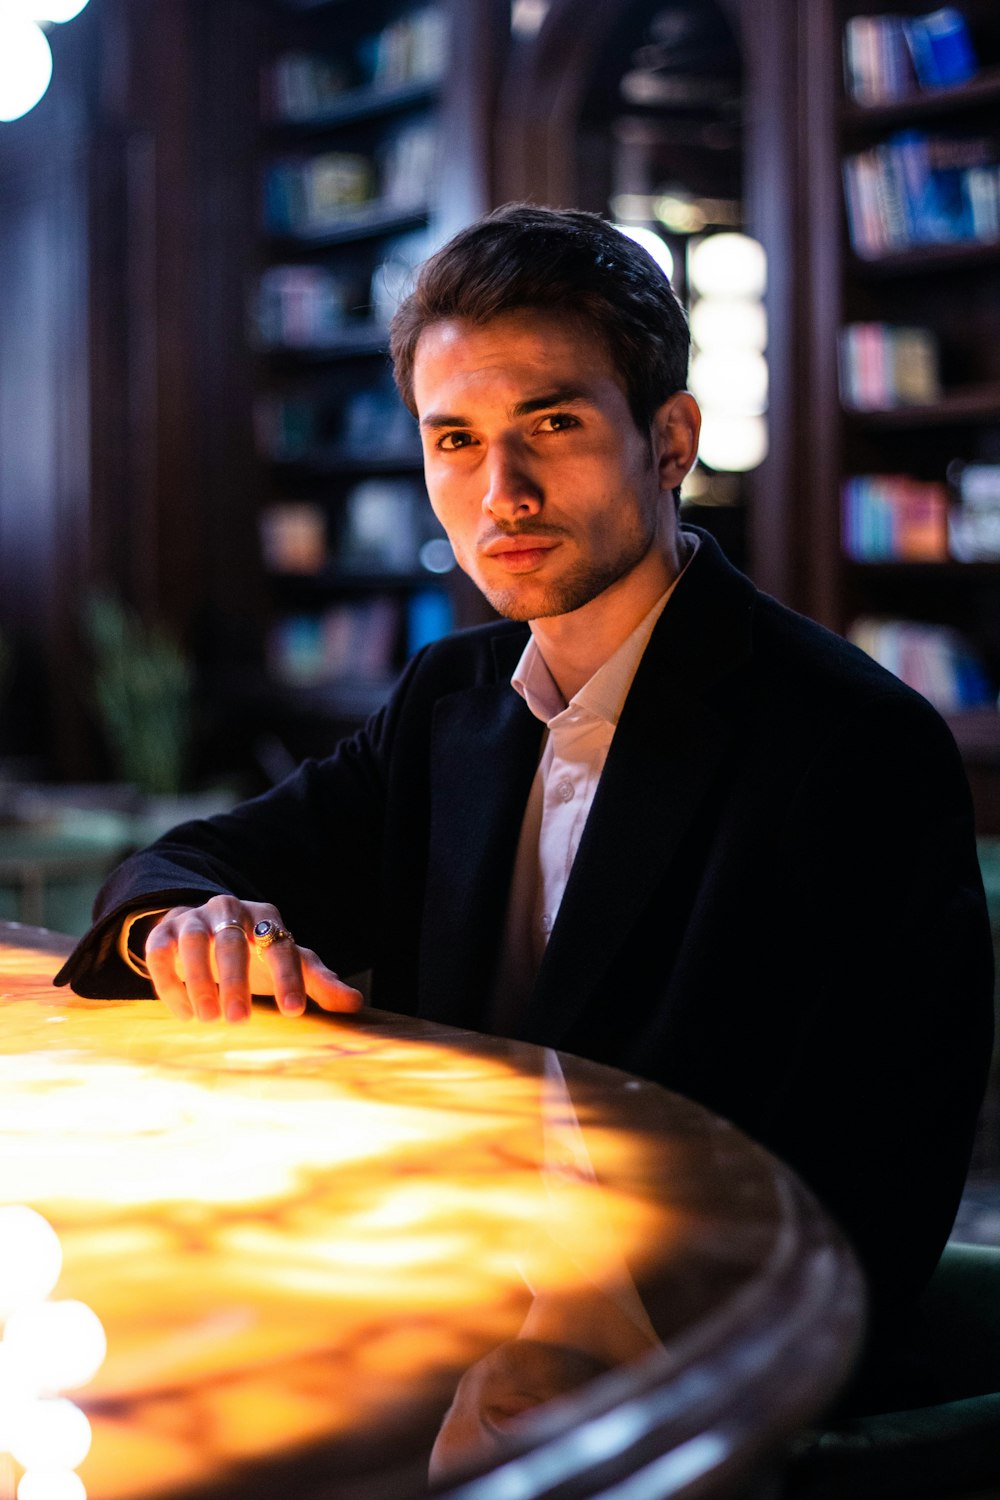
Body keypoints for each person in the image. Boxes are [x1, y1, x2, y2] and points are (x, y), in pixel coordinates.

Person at [56, 204, 993, 1409]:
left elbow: (878, 1185)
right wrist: (183, 920)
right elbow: (186, 859)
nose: (501, 490)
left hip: (695, 1379)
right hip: (433, 1313)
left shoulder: (852, 744)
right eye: (453, 439)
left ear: (670, 441)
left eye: (552, 423)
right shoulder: (451, 702)